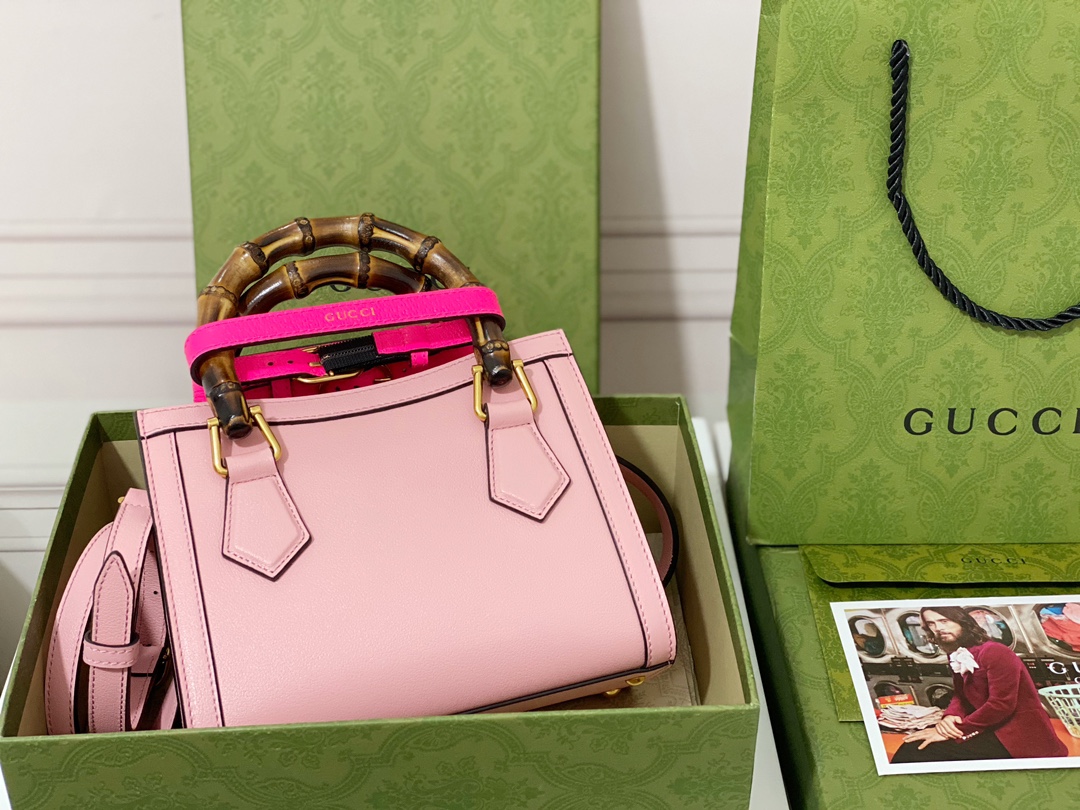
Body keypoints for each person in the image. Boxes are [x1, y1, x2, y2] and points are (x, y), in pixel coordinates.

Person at [892, 606, 1067, 763]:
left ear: (962, 621)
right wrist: (950, 716)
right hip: (988, 726)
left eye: (944, 621)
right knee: (914, 744)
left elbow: (1001, 705)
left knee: (917, 749)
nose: (938, 628)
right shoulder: (956, 654)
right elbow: (960, 695)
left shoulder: (996, 651)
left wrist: (955, 730)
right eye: (931, 624)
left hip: (1018, 736)